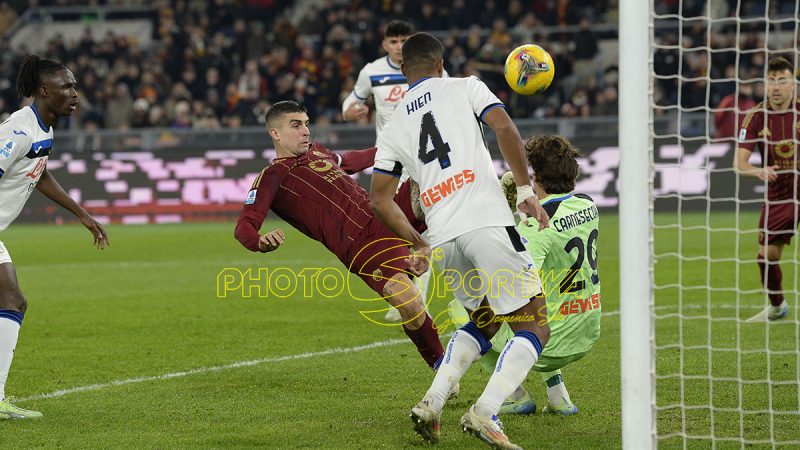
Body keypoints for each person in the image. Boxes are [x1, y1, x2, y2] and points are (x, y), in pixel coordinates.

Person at [369, 33, 550, 448]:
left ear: (402, 69)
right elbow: (503, 125)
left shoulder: (394, 124)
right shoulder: (465, 85)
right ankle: (485, 413)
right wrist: (524, 192)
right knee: (535, 323)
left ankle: (432, 402)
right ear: (439, 63)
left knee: (483, 320)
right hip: (485, 221)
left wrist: (418, 241)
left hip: (444, 236)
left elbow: (380, 198)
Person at [234, 100, 445, 370]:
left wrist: (395, 148)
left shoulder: (318, 152)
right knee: (411, 305)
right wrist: (259, 243)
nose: (306, 131)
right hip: (360, 245)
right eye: (296, 125)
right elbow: (245, 226)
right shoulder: (271, 176)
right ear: (275, 133)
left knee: (428, 172)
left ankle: (493, 198)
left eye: (307, 124)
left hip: (384, 212)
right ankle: (442, 366)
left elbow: (355, 160)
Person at [448, 135, 601, 417]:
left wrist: (505, 213)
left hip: (551, 340)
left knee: (466, 310)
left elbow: (507, 276)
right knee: (544, 303)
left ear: (536, 176)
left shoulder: (536, 227)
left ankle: (515, 395)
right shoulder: (587, 204)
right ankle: (558, 396)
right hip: (588, 329)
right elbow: (552, 224)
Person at [0, 55, 110, 419]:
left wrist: (82, 214)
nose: (75, 93)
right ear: (45, 91)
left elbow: (39, 172)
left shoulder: (43, 129)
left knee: (12, 301)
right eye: (68, 86)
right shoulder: (17, 131)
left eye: (74, 85)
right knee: (12, 299)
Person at [342, 20, 447, 322]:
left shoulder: (429, 69)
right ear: (385, 44)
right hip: (389, 161)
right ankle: (402, 289)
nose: (399, 46)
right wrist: (350, 111)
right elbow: (353, 100)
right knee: (390, 227)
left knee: (422, 227)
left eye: (404, 40)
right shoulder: (372, 71)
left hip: (422, 159)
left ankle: (417, 296)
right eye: (393, 42)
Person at [734, 56, 797, 321]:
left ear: (792, 83)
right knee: (766, 258)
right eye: (771, 81)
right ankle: (777, 305)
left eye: (782, 80)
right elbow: (739, 163)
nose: (776, 87)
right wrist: (757, 171)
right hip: (779, 192)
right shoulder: (756, 116)